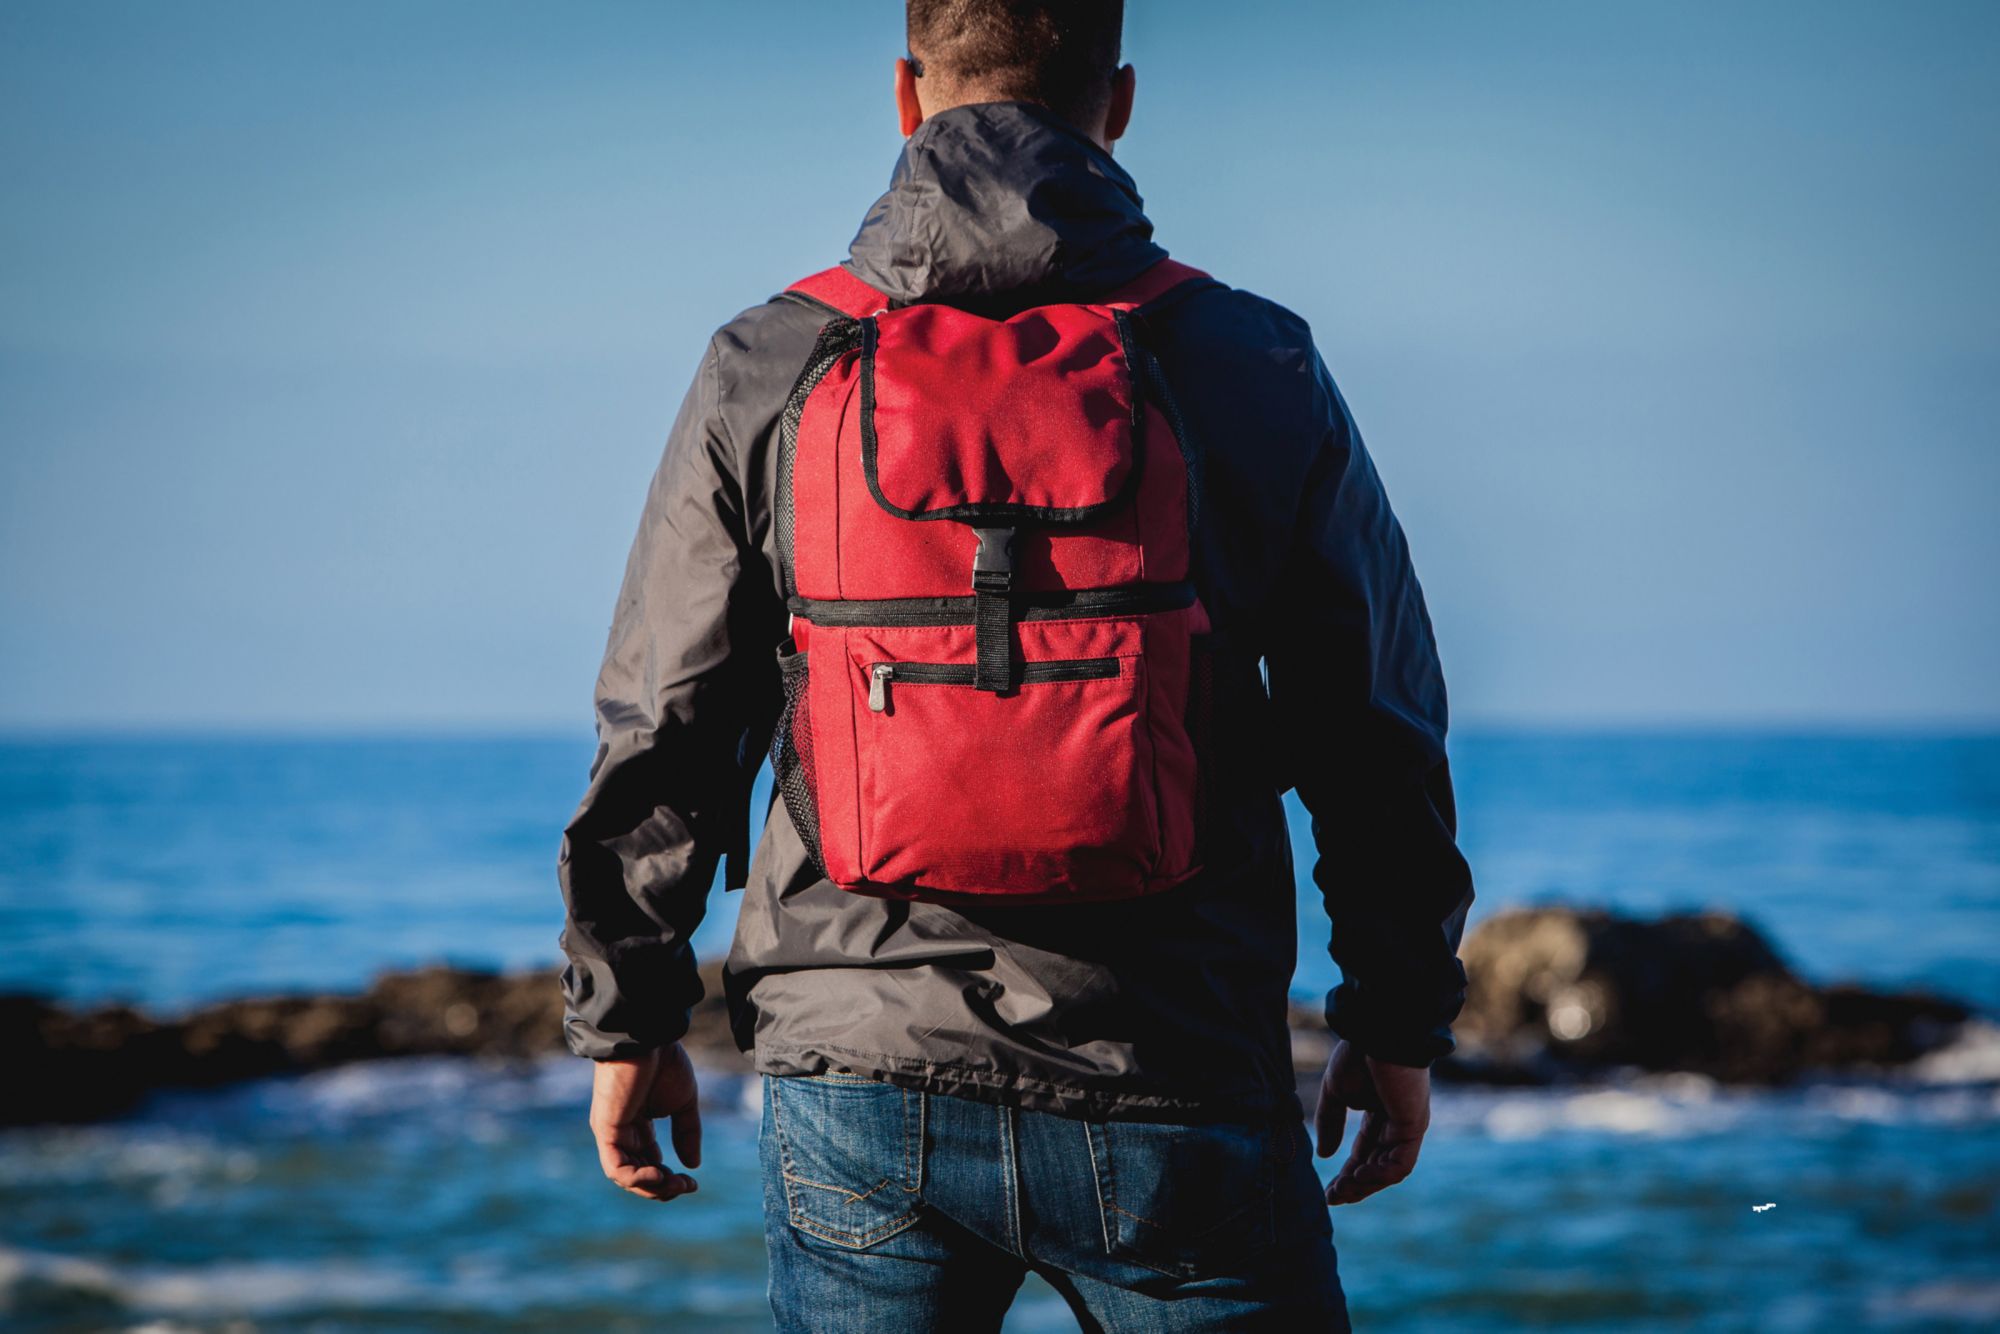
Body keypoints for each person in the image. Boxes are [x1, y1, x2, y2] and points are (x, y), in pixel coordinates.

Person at [558, 2, 1474, 1328]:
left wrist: (626, 1012)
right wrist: (1395, 1017)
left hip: (861, 1063)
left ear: (904, 92)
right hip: (1172, 1060)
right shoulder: (1248, 359)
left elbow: (668, 719)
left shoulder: (770, 362)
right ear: (1120, 102)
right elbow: (1375, 720)